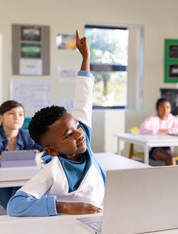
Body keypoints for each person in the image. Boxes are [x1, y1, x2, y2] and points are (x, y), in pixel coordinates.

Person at [6, 29, 105, 217]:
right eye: (68, 135)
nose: (78, 133)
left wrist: (85, 57)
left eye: (76, 126)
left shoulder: (84, 138)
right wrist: (63, 206)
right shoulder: (51, 171)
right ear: (52, 150)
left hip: (102, 219)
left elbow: (84, 95)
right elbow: (15, 206)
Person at [0, 100, 44, 209]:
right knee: (15, 205)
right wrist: (8, 159)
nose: (17, 117)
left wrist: (32, 156)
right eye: (11, 113)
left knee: (24, 196)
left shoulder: (27, 135)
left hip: (21, 180)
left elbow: (48, 152)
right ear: (0, 118)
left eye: (21, 114)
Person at [139, 97, 178, 165]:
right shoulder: (152, 118)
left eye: (168, 107)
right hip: (154, 148)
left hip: (167, 148)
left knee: (170, 159)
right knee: (170, 158)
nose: (165, 110)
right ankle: (175, 175)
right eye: (162, 107)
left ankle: (170, 175)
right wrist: (158, 131)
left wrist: (168, 130)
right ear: (157, 108)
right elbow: (142, 129)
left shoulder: (172, 119)